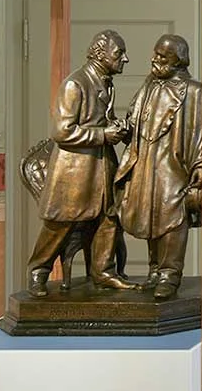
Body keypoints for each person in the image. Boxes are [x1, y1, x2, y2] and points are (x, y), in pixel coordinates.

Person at [24, 29, 139, 297]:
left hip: (102, 165)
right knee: (61, 223)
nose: (125, 59)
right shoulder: (75, 84)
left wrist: (117, 127)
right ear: (100, 54)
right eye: (119, 53)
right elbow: (62, 131)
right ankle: (38, 271)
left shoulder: (105, 82)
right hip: (75, 170)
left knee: (109, 217)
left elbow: (102, 119)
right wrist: (103, 135)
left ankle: (103, 272)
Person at [116, 33, 202, 302]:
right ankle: (154, 270)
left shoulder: (194, 91)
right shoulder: (149, 85)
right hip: (145, 160)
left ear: (178, 59)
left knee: (172, 215)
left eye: (163, 56)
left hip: (173, 163)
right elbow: (135, 116)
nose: (155, 60)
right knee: (148, 214)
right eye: (155, 54)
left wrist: (200, 165)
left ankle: (169, 274)